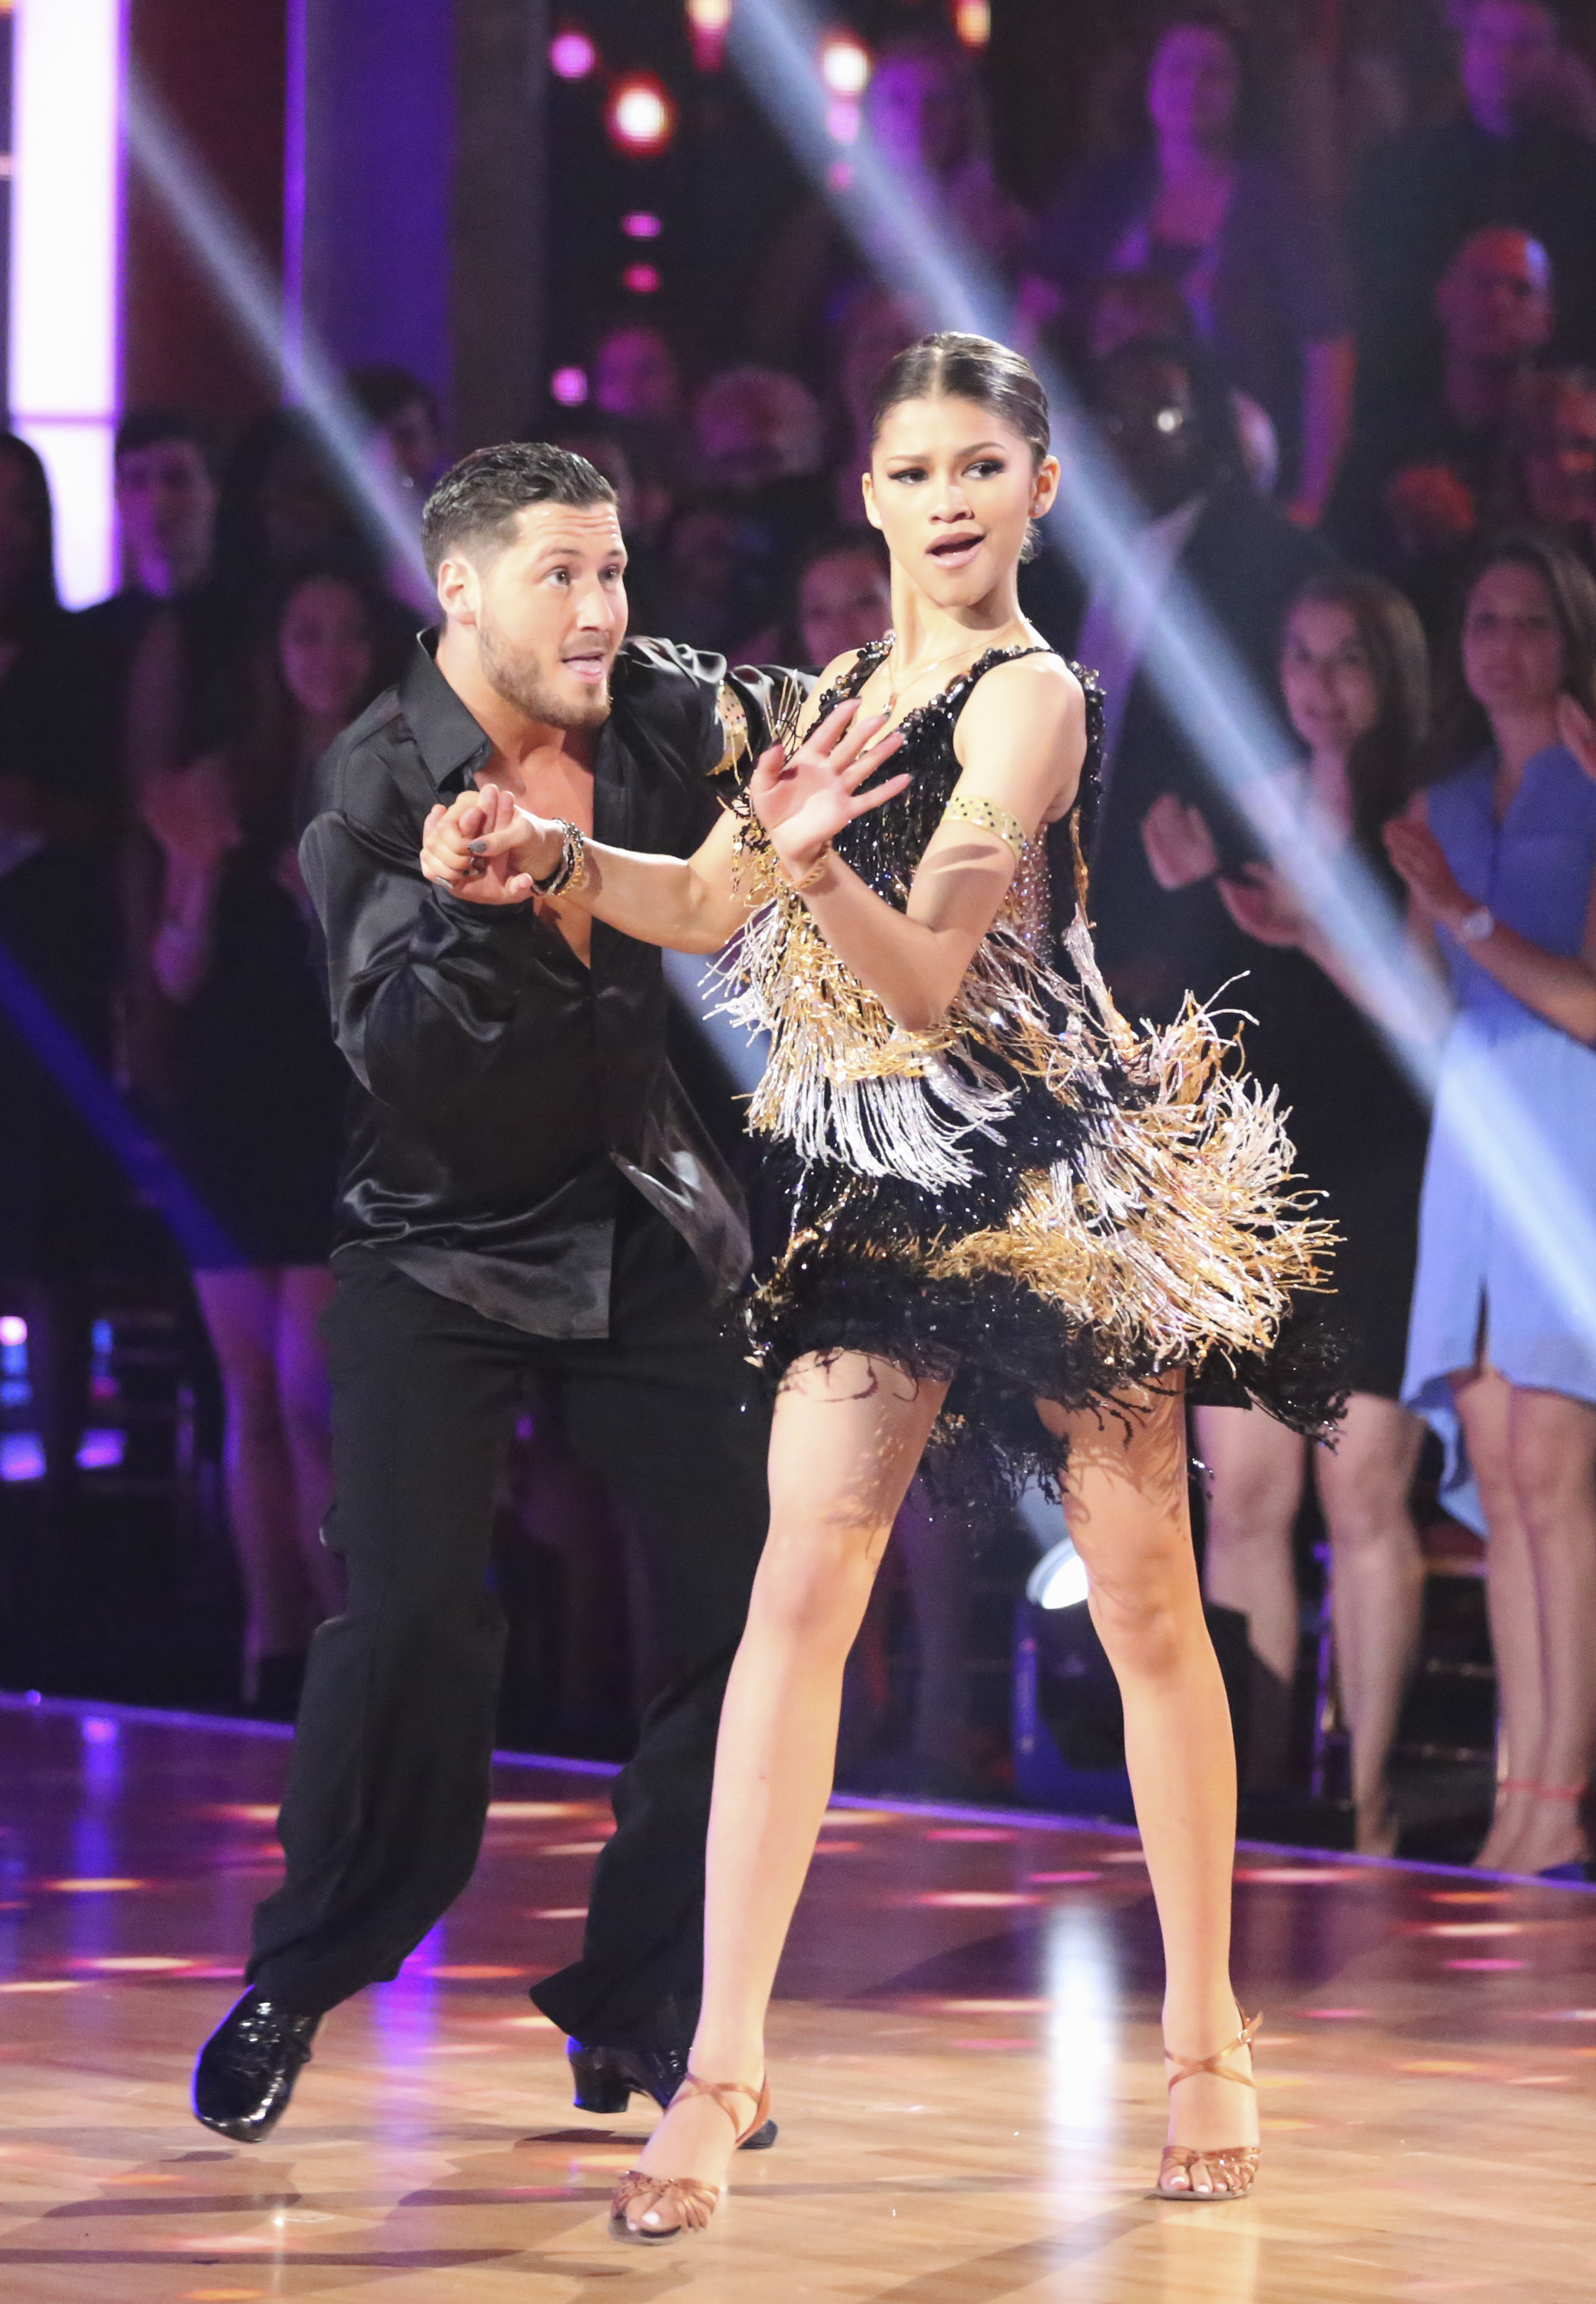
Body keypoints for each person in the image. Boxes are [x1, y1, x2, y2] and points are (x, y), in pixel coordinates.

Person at [425, 335, 1340, 2228]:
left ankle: (1199, 2031)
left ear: (1034, 491)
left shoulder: (1025, 704)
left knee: (1147, 1608)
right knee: (797, 1593)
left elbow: (920, 970)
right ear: (863, 490)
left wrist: (820, 859)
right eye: (909, 469)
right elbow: (696, 901)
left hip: (1052, 1180)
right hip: (881, 1182)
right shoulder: (839, 695)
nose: (941, 500)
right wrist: (543, 851)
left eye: (976, 467)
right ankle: (719, 2066)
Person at [190, 442, 783, 2153]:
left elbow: (788, 710)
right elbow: (402, 1060)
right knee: (413, 1627)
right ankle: (300, 1975)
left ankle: (643, 2009)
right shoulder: (374, 781)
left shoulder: (656, 710)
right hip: (436, 1246)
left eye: (615, 572)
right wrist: (469, 917)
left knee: (762, 1623)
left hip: (645, 1214)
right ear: (458, 588)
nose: (603, 610)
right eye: (561, 578)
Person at [1143, 571, 1433, 1847]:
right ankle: (1255, 1800)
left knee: (1359, 1497)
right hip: (1246, 1188)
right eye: (1301, 658)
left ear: (1390, 678)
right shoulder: (1224, 820)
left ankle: (1366, 1809)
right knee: (1243, 1501)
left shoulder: (1417, 821)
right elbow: (1184, 1001)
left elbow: (1424, 1014)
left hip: (1377, 1179)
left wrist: (1299, 921)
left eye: (1347, 662)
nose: (1319, 685)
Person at [139, 563, 403, 1716]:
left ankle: (347, 1636)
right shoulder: (221, 784)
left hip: (342, 1103)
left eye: (347, 632)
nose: (326, 655)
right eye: (304, 632)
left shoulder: (409, 787)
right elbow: (175, 974)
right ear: (273, 650)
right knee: (249, 1388)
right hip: (230, 1093)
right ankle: (271, 1640)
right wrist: (196, 876)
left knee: (312, 1389)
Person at [1387, 530, 1596, 1879]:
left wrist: (1461, 915)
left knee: (1553, 1483)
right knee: (1502, 1482)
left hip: (1568, 1131)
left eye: (1527, 621)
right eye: (1481, 620)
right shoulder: (1444, 792)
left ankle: (1554, 1800)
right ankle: (1520, 1795)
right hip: (1469, 1133)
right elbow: (1421, 1005)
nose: (1500, 644)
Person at [1022, 334, 1332, 1021]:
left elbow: (1289, 763)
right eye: (1112, 421)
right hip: (1042, 943)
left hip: (1193, 957)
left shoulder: (1272, 565)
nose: (1132, 439)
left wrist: (1189, 945)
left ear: (1208, 428)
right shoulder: (1051, 560)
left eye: (1162, 417)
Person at [1024, 8, 1356, 524]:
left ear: (1243, 90)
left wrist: (1312, 499)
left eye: (1214, 73)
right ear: (1148, 84)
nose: (1194, 87)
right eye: (1178, 70)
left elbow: (1328, 357)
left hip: (1234, 476)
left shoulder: (1279, 205)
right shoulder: (1102, 190)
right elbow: (1027, 327)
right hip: (1101, 469)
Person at [0, 435, 123, 1510]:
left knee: (46, 1234)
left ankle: (56, 1488)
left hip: (52, 962)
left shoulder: (81, 655)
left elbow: (117, 811)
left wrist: (38, 813)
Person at [1349, 0, 1596, 420]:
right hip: (1428, 409)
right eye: (1488, 41)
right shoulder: (1402, 172)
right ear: (1463, 48)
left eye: (1525, 46)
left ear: (1554, 59)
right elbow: (1387, 315)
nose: (1503, 61)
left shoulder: (1584, 178)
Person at [1330, 227, 1555, 593]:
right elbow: (1335, 556)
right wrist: (1401, 530)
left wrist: (1470, 538)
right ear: (1444, 298)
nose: (1499, 302)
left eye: (1521, 290)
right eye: (1483, 285)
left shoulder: (1558, 447)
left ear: (1546, 320)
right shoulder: (1388, 435)